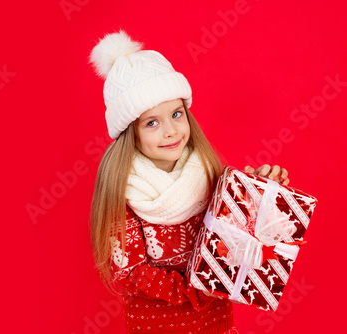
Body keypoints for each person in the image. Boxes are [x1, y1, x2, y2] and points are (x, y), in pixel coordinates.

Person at [88, 29, 290, 334]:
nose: (170, 130)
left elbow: (238, 235)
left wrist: (259, 190)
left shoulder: (210, 176)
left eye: (177, 114)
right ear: (131, 133)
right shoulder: (125, 193)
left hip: (215, 326)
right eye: (152, 122)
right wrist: (199, 289)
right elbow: (129, 273)